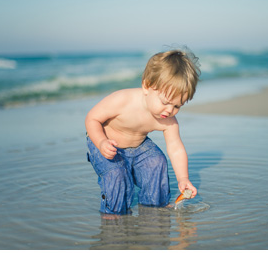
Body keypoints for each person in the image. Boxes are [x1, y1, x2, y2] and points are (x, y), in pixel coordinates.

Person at [85, 50, 199, 214]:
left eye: (177, 106)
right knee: (116, 174)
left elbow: (175, 148)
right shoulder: (123, 100)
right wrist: (101, 142)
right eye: (165, 102)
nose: (169, 110)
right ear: (147, 86)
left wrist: (183, 178)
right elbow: (92, 119)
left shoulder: (168, 120)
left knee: (157, 162)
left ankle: (154, 208)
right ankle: (114, 215)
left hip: (138, 146)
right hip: (105, 144)